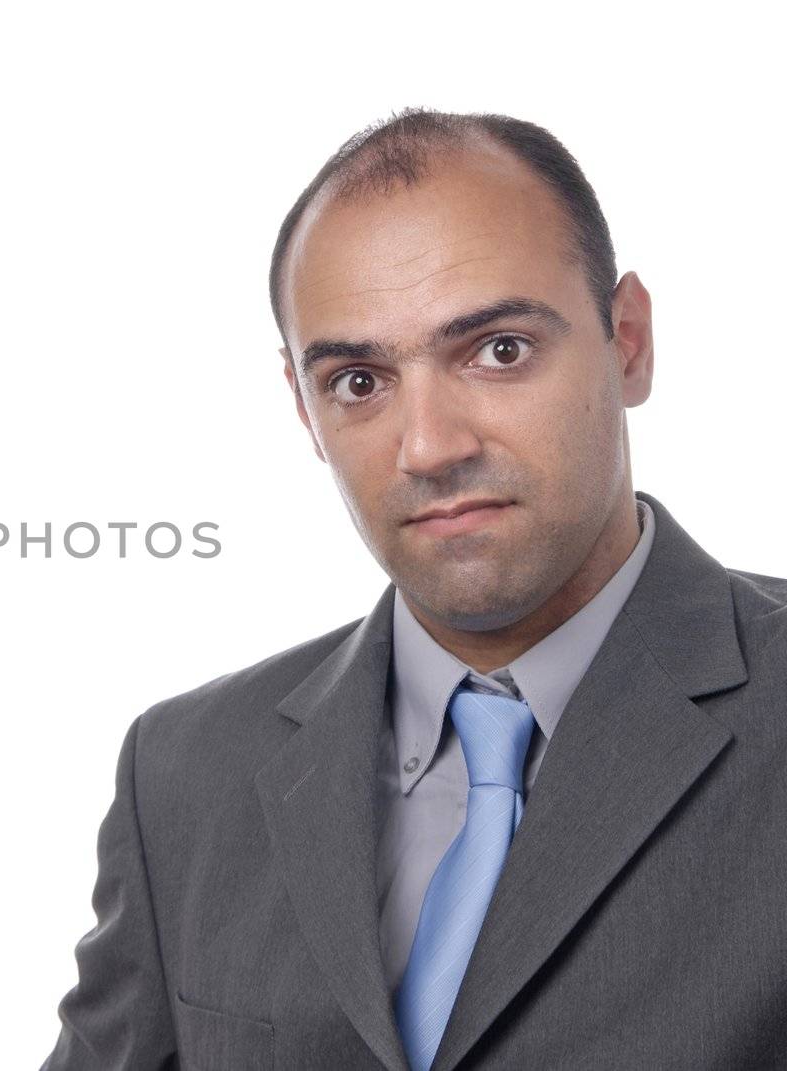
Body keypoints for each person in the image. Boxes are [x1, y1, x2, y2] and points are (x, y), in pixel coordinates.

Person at [44, 109, 787, 1070]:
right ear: (305, 412)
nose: (430, 445)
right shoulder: (183, 774)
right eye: (358, 380)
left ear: (629, 339)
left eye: (499, 350)